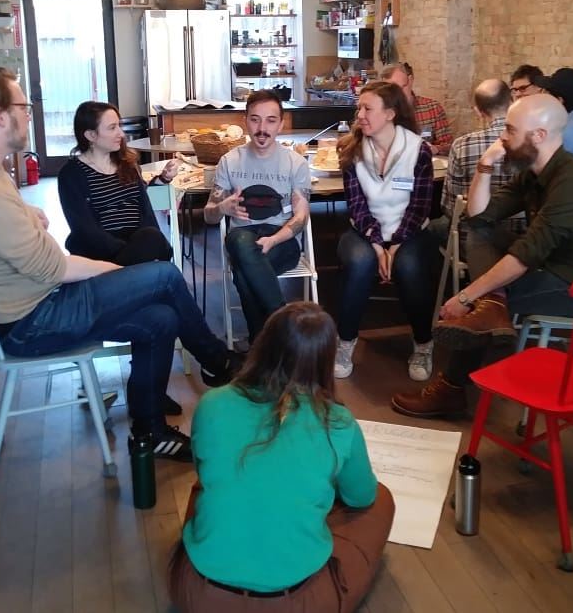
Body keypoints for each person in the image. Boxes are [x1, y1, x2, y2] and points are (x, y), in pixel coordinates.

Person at [0, 67, 235, 461]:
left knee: (161, 319)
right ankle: (218, 362)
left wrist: (21, 214)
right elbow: (59, 269)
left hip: (31, 308)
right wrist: (129, 275)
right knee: (164, 276)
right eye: (23, 107)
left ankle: (149, 429)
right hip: (35, 320)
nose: (29, 115)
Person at [391, 94, 573, 418]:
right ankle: (492, 308)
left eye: (510, 130)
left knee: (479, 307)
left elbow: (523, 257)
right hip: (555, 266)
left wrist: (466, 295)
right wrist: (485, 164)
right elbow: (479, 216)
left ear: (539, 136)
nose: (502, 137)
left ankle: (450, 389)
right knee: (480, 237)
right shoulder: (536, 173)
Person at [169, 302, 395, 612]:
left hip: (196, 592)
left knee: (208, 482)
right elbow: (361, 496)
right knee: (380, 500)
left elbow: (203, 465)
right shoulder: (338, 421)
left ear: (263, 345)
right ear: (325, 360)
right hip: (294, 602)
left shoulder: (212, 403)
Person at [335, 80, 436, 381]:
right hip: (365, 230)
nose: (360, 115)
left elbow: (420, 207)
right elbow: (357, 207)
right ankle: (345, 341)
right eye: (359, 108)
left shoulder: (418, 150)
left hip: (410, 230)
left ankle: (423, 343)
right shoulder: (352, 151)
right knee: (360, 262)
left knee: (409, 266)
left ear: (390, 114)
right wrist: (378, 245)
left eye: (367, 109)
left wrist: (397, 244)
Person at [203, 90, 311, 343]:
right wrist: (222, 208)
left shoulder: (296, 163)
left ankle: (260, 344)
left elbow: (302, 217)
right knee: (240, 241)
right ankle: (282, 331)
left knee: (244, 270)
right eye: (255, 119)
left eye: (271, 120)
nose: (262, 129)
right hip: (243, 237)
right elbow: (209, 217)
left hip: (282, 241)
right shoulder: (229, 161)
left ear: (281, 124)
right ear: (245, 121)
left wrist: (274, 240)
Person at [58, 101, 178, 265]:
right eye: (112, 128)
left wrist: (163, 179)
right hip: (101, 254)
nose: (121, 133)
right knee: (154, 247)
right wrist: (129, 251)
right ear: (91, 135)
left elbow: (145, 207)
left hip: (141, 243)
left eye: (119, 126)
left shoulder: (127, 164)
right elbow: (85, 229)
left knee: (152, 237)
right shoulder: (71, 174)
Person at [433, 79, 526, 254]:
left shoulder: (462, 145)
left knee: (433, 228)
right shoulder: (529, 142)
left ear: (478, 112)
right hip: (524, 240)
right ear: (512, 101)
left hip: (471, 241)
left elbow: (449, 207)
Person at [381, 62, 453, 155]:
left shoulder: (433, 108)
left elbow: (449, 146)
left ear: (410, 80)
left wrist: (435, 149)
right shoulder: (381, 112)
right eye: (392, 91)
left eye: (402, 87)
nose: (398, 94)